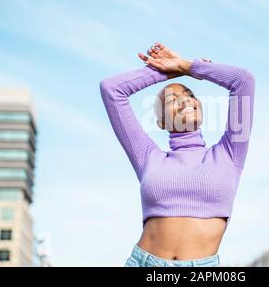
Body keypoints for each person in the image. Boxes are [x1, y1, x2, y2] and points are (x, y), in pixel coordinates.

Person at [99, 42, 255, 267]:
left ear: (199, 105)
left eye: (190, 95)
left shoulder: (230, 153)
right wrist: (164, 71)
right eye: (172, 100)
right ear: (161, 122)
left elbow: (243, 81)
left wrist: (187, 66)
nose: (185, 100)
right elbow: (111, 89)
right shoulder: (148, 158)